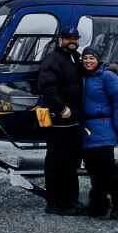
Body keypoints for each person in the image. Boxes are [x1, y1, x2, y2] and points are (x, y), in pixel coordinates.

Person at [79, 47, 118, 219]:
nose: (88, 61)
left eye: (91, 58)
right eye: (85, 58)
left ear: (98, 60)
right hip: (86, 130)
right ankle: (99, 203)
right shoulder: (82, 77)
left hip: (104, 128)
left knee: (107, 169)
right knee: (93, 170)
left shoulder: (108, 77)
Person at [37, 27, 84, 215]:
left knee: (72, 163)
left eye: (75, 38)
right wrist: (61, 108)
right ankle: (55, 203)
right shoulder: (53, 60)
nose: (72, 41)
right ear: (60, 41)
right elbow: (46, 86)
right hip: (59, 122)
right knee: (57, 163)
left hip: (74, 122)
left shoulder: (75, 59)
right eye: (68, 38)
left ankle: (70, 200)